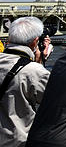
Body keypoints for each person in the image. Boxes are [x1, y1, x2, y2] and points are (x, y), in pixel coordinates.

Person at [1, 17, 52, 147]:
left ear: (9, 39)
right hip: (15, 142)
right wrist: (40, 62)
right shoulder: (34, 71)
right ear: (35, 42)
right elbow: (53, 101)